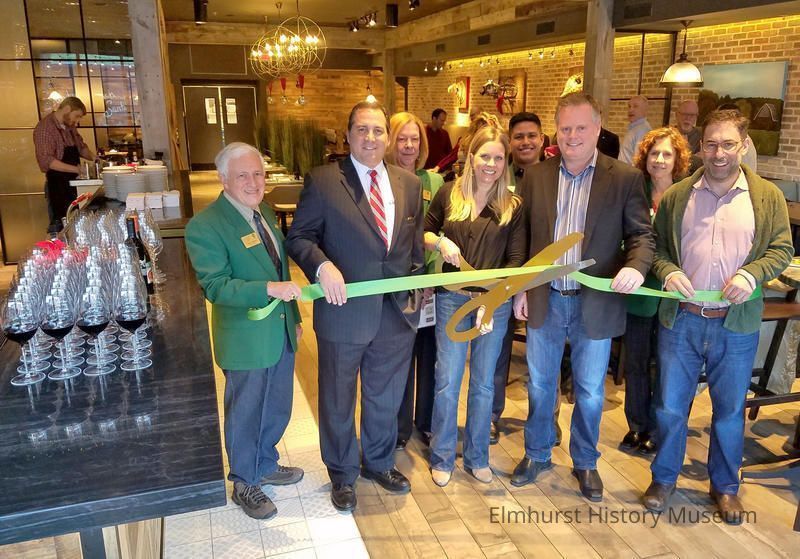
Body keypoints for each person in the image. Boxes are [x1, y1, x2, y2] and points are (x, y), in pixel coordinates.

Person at [643, 109, 792, 524]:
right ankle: (664, 478)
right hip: (682, 320)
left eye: (728, 144)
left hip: (736, 324)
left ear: (743, 145)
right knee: (670, 406)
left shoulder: (767, 197)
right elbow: (657, 248)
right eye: (711, 144)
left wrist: (752, 273)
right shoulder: (678, 196)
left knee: (729, 411)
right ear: (701, 147)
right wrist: (667, 271)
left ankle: (725, 486)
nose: (719, 153)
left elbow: (781, 249)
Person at [511, 92, 654, 502]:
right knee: (541, 384)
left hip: (596, 302)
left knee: (590, 391)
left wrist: (636, 267)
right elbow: (524, 237)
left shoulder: (624, 178)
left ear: (597, 128)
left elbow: (642, 236)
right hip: (546, 297)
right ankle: (537, 452)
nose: (572, 136)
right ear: (556, 130)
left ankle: (586, 461)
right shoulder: (536, 176)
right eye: (565, 128)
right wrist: (522, 287)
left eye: (580, 127)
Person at [286, 102, 424, 513]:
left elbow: (414, 247)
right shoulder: (324, 181)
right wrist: (322, 265)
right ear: (348, 135)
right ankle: (342, 473)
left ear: (388, 136)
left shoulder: (409, 183)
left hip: (395, 314)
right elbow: (299, 238)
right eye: (362, 129)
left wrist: (416, 295)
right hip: (343, 311)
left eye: (378, 130)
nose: (370, 138)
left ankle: (378, 462)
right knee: (338, 398)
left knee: (385, 395)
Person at [185, 142, 304, 520]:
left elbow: (281, 271)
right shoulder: (204, 226)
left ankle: (264, 462)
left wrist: (295, 318)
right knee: (246, 411)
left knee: (278, 405)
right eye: (242, 176)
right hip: (244, 338)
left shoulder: (264, 212)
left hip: (279, 330)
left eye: (258, 174)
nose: (253, 182)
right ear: (223, 179)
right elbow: (216, 286)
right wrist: (269, 290)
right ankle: (243, 481)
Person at [425, 126, 526, 486]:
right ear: (471, 157)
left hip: (493, 304)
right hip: (452, 299)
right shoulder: (448, 194)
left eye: (499, 158)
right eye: (485, 156)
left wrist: (494, 300)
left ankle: (477, 456)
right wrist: (439, 243)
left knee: (484, 384)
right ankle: (441, 456)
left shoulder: (513, 206)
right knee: (447, 381)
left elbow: (517, 261)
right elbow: (425, 231)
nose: (491, 164)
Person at [620, 128, 691, 456]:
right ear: (645, 157)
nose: (659, 160)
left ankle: (659, 429)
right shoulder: (634, 190)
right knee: (635, 362)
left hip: (672, 295)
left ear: (678, 160)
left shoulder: (687, 195)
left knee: (664, 366)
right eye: (654, 153)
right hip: (639, 292)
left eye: (667, 154)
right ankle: (637, 425)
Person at [386, 111, 444, 449]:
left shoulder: (433, 182)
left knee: (429, 354)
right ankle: (398, 428)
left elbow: (440, 230)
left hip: (429, 286)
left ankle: (426, 421)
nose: (409, 146)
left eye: (415, 139)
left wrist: (430, 279)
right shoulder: (382, 179)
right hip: (395, 286)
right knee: (399, 359)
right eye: (402, 139)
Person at [491, 111, 544, 444]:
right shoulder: (497, 175)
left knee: (544, 356)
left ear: (542, 139)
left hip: (541, 278)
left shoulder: (554, 176)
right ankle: (491, 415)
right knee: (497, 351)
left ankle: (544, 420)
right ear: (510, 142)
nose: (525, 142)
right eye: (519, 137)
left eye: (531, 135)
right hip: (504, 276)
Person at [33, 96, 96, 233]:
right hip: (58, 187)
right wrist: (77, 169)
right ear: (67, 109)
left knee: (77, 224)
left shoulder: (70, 126)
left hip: (73, 185)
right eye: (77, 116)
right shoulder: (45, 128)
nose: (77, 121)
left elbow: (81, 147)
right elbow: (46, 160)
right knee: (62, 226)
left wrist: (96, 159)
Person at [619, 95, 652, 164]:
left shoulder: (643, 130)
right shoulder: (635, 128)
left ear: (645, 110)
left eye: (635, 106)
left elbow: (638, 161)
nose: (630, 110)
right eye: (629, 106)